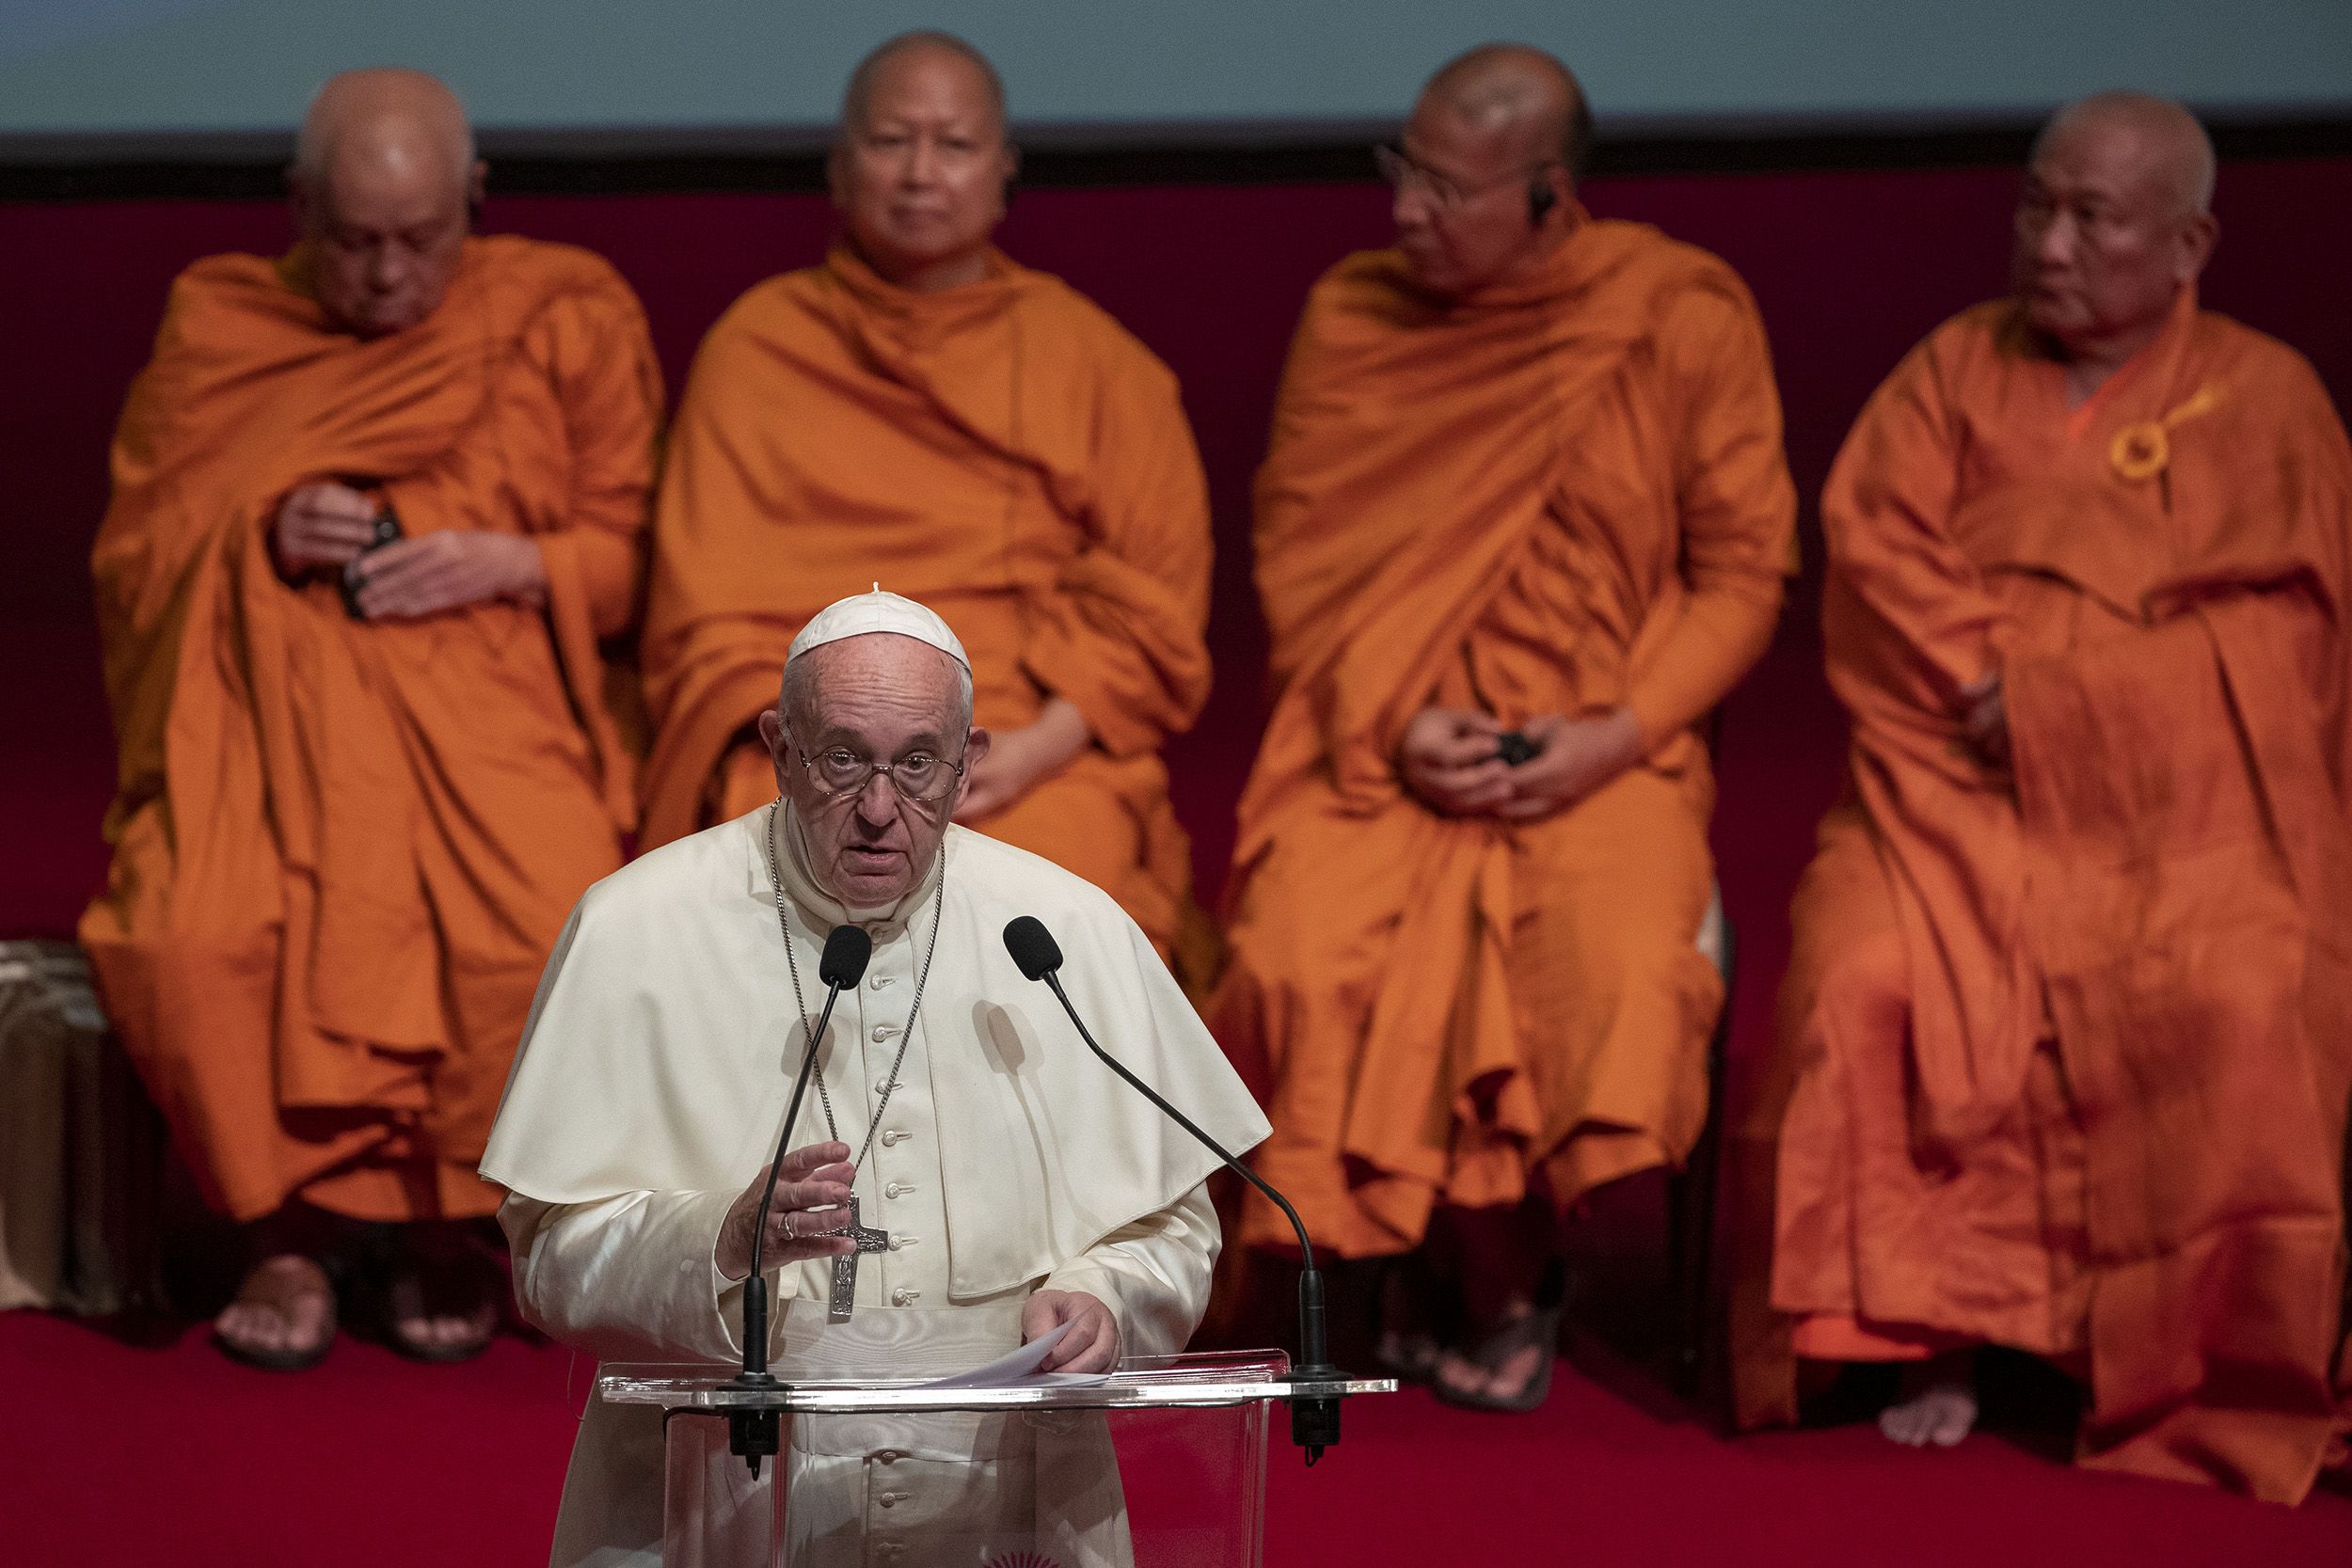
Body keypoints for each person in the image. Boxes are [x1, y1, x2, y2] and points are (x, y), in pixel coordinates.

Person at [1728, 93, 2352, 1501]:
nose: (2050, 244)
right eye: (2035, 206)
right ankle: (1929, 1325)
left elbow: (2302, 639)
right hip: (1947, 783)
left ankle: (2155, 1353)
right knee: (1862, 975)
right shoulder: (1955, 367)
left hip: (2186, 814)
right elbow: (1873, 549)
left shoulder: (2271, 399)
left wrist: (2073, 705)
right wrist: (1982, 690)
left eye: (2094, 218)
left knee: (2244, 997)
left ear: (2189, 243)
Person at [1210, 43, 1793, 1410]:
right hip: (1378, 735)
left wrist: (1619, 731)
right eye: (1398, 169)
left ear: (1546, 196)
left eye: (1447, 189)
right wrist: (1401, 719)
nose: (1406, 209)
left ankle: (1490, 1266)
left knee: (1602, 962)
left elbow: (1744, 574)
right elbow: (1296, 557)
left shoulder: (1673, 315)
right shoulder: (1351, 315)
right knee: (1298, 950)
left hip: (1600, 749)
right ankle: (1381, 1246)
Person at [482, 589, 1267, 1566]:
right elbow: (551, 1255)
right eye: (842, 758)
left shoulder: (1064, 933)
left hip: (1006, 1509)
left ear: (970, 760)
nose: (880, 810)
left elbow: (1173, 1229)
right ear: (778, 746)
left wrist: (1107, 1297)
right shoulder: (635, 928)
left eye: (919, 762)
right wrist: (714, 1243)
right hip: (721, 1504)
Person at [79, 69, 660, 1368]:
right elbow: (137, 559)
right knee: (192, 934)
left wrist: (514, 561)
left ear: (477, 203)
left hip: (489, 691)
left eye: (420, 239)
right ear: (295, 208)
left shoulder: (562, 311)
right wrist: (257, 529)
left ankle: (447, 1216)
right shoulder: (221, 319)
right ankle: (284, 1224)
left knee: (545, 918)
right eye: (353, 242)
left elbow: (635, 564)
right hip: (262, 715)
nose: (390, 276)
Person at [637, 32, 1214, 969]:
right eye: (890, 142)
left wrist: (1029, 747)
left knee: (1067, 868)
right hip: (807, 752)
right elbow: (704, 623)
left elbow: (1154, 608)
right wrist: (837, 763)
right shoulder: (759, 348)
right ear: (839, 166)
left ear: (1003, 170)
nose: (919, 174)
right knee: (754, 871)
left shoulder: (1095, 362)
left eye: (952, 146)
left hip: (1020, 747)